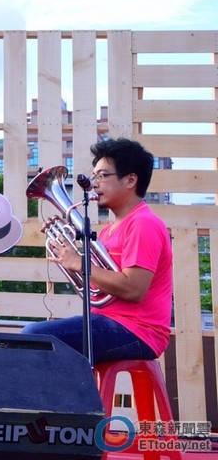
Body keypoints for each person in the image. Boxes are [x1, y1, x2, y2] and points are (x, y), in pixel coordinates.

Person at [22, 138, 172, 364]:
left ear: (130, 180)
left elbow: (134, 289)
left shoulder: (143, 223)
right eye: (94, 177)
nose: (94, 184)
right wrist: (64, 247)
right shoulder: (109, 231)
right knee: (36, 340)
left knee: (34, 335)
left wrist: (79, 263)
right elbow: (96, 290)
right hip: (110, 321)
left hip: (138, 329)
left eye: (102, 176)